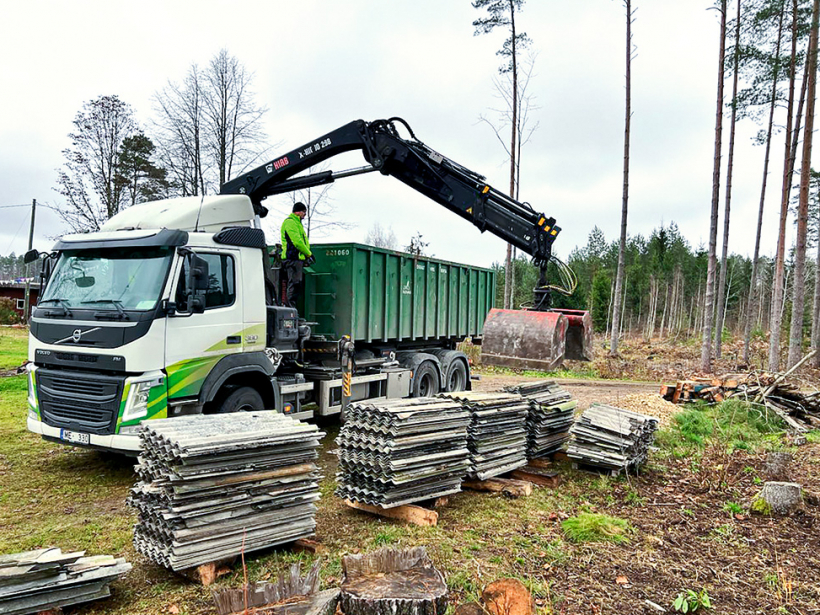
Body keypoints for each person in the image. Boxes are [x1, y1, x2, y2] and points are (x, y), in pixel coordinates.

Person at [280, 202, 314, 308]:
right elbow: (297, 242)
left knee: (296, 284)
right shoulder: (290, 223)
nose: (305, 214)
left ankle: (291, 309)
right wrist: (308, 254)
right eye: (304, 212)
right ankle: (290, 310)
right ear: (298, 212)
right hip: (292, 259)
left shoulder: (297, 223)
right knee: (294, 284)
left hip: (296, 259)